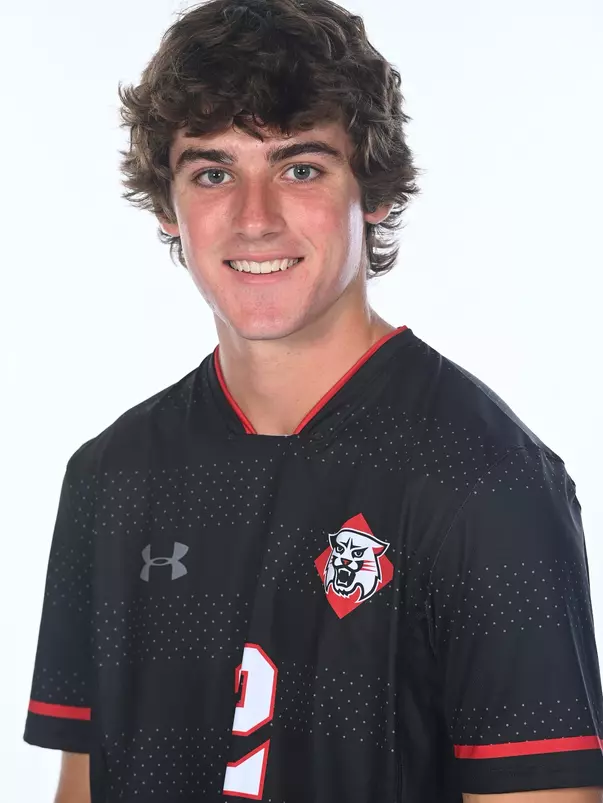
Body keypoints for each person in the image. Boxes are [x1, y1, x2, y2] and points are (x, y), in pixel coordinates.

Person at [23, 0, 603, 801]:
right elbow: (82, 786)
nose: (254, 219)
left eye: (300, 169)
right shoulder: (109, 476)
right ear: (168, 206)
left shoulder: (487, 480)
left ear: (375, 193)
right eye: (213, 172)